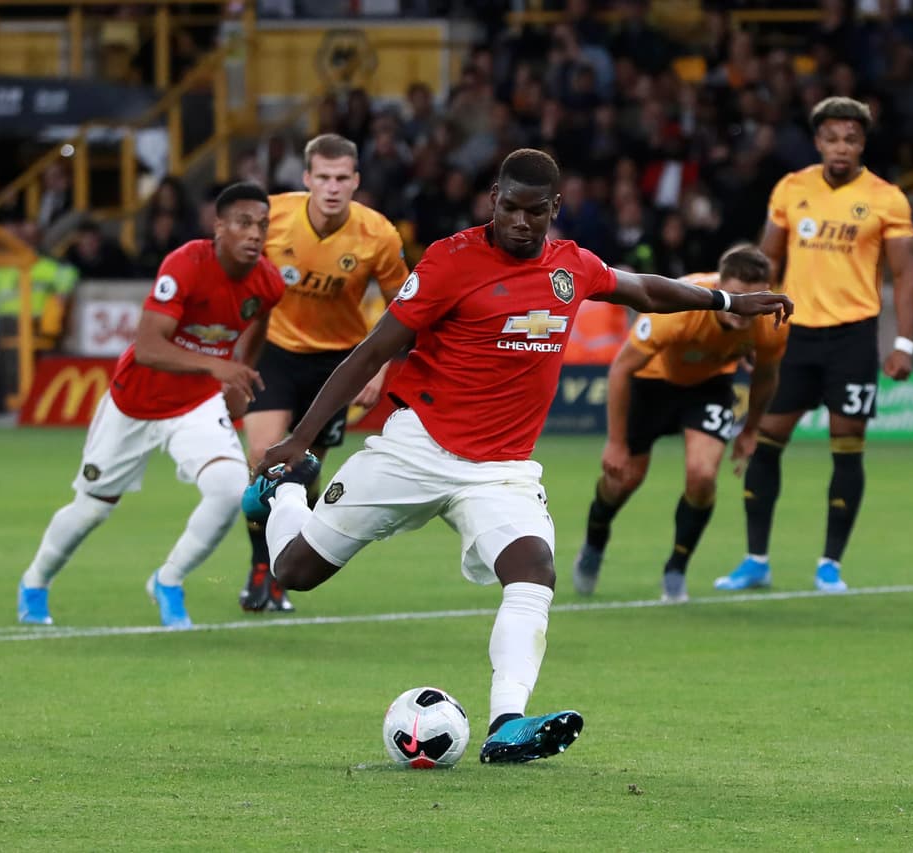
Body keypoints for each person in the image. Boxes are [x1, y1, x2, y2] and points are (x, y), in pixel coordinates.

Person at [242, 149, 792, 764]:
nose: (521, 223)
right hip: (418, 446)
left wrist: (723, 302)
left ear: (555, 209)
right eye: (510, 208)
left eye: (535, 211)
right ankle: (285, 493)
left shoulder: (571, 266)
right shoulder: (450, 261)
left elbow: (640, 290)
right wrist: (299, 442)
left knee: (534, 572)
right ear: (492, 201)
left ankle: (508, 721)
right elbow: (371, 352)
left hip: (501, 469)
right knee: (296, 572)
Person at [17, 183, 285, 629]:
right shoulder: (185, 264)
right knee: (92, 509)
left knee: (228, 489)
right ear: (218, 227)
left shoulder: (268, 281)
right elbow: (146, 347)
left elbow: (259, 319)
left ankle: (168, 579)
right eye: (243, 223)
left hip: (196, 404)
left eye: (262, 225)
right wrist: (217, 366)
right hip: (134, 402)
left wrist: (242, 370)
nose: (254, 234)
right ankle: (35, 581)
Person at [717, 97, 913, 595]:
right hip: (794, 335)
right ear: (818, 142)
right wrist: (749, 328)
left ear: (862, 143)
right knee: (765, 444)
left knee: (847, 450)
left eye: (851, 138)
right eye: (832, 138)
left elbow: (905, 272)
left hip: (853, 336)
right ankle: (755, 560)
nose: (841, 147)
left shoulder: (887, 198)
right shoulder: (791, 188)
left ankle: (830, 564)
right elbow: (765, 262)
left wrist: (905, 343)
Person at [238, 133, 410, 613]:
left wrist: (381, 366)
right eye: (323, 178)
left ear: (355, 181)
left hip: (339, 362)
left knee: (305, 471)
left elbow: (407, 306)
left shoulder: (379, 235)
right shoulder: (270, 218)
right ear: (306, 178)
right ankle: (262, 568)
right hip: (276, 350)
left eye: (342, 179)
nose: (332, 187)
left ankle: (285, 555)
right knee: (264, 459)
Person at [572, 245, 788, 603]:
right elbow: (621, 369)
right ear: (719, 285)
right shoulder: (678, 307)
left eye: (754, 298)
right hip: (650, 384)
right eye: (737, 297)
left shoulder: (770, 319)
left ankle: (676, 569)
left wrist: (751, 430)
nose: (745, 310)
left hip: (708, 388)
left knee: (703, 477)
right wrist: (615, 442)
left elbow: (767, 375)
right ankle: (594, 543)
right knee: (623, 480)